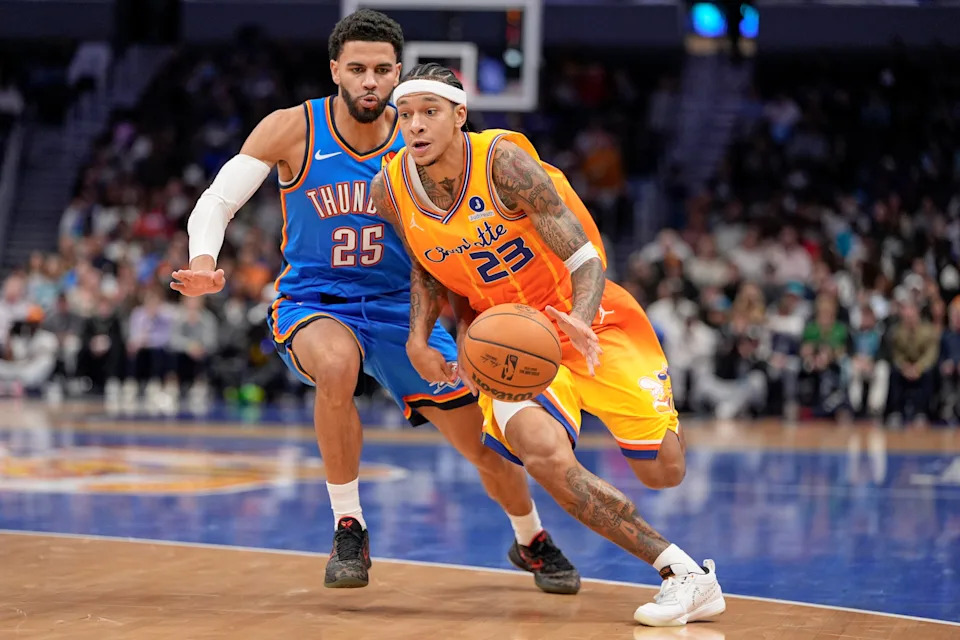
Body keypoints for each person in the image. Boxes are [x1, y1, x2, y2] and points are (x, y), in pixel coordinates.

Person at [170, 10, 578, 594]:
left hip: (402, 307)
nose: (370, 81)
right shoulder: (292, 128)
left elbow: (462, 234)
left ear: (397, 74)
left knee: (484, 444)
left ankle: (530, 536)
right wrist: (204, 260)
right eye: (357, 68)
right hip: (316, 302)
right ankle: (349, 526)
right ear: (335, 69)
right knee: (336, 365)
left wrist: (469, 316)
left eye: (382, 70)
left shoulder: (423, 139)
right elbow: (217, 201)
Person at [372, 63, 725, 627]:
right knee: (543, 456)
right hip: (509, 342)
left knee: (664, 470)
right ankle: (682, 573)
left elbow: (584, 256)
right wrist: (422, 338)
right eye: (406, 113)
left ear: (459, 116)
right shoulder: (390, 189)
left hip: (588, 317)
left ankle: (647, 411)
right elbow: (426, 266)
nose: (414, 125)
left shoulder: (504, 163)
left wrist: (578, 320)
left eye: (429, 112)